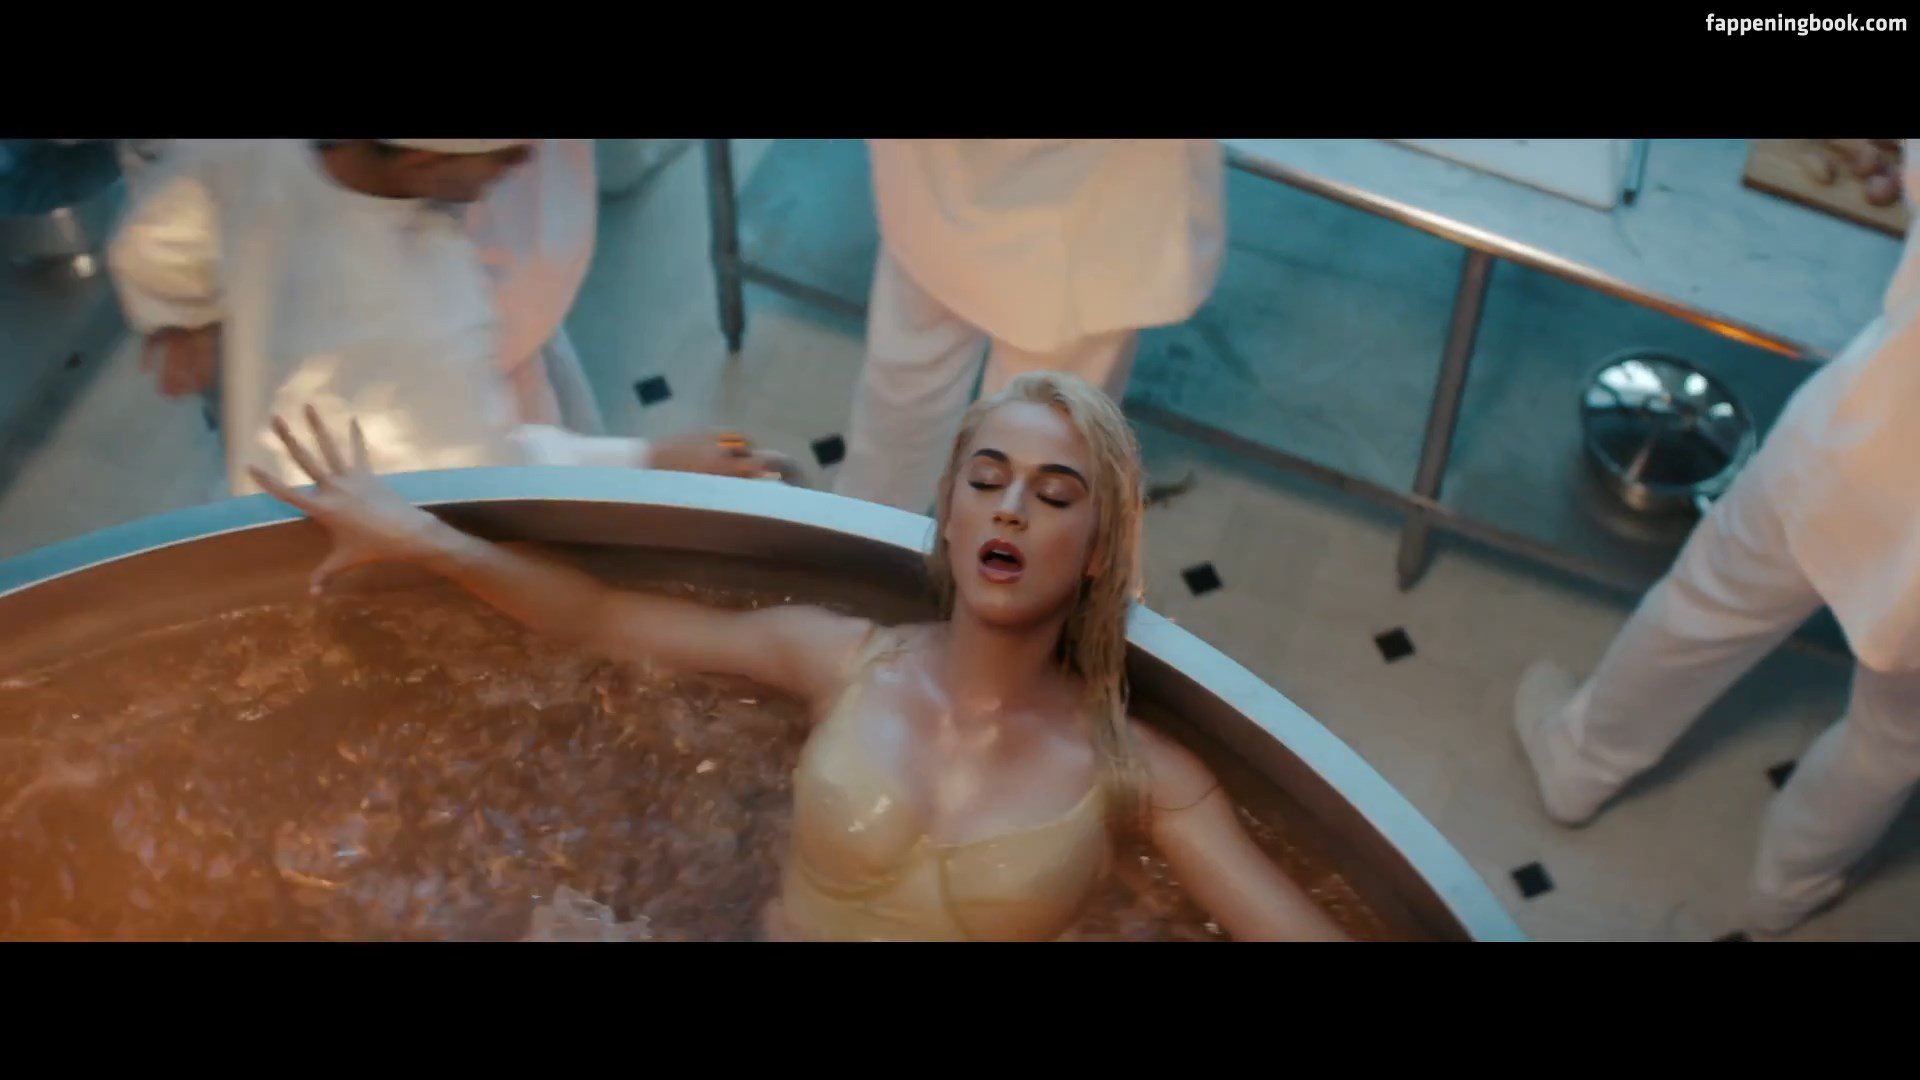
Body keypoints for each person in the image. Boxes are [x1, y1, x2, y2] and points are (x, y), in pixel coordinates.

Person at [253, 371, 1352, 942]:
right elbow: (599, 619)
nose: (1012, 509)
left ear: (1101, 547)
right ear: (949, 513)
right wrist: (424, 540)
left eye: (1055, 495)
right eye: (987, 481)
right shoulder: (842, 659)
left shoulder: (1140, 775)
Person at [1512, 141, 1920, 937]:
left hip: (1860, 452)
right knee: (1895, 740)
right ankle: (1790, 887)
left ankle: (1579, 764)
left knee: (1708, 610)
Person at [107, 139, 769, 497]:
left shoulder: (248, 152)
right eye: (508, 155)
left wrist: (182, 315)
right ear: (423, 159)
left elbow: (161, 233)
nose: (527, 162)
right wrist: (649, 461)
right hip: (371, 535)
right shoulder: (408, 323)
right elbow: (481, 478)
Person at [834, 140, 1226, 512]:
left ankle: (864, 533)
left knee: (912, 379)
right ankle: (996, 547)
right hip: (1088, 219)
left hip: (938, 189)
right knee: (1040, 434)